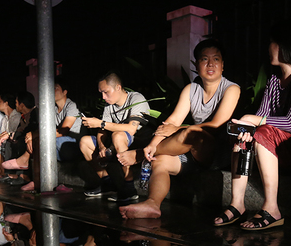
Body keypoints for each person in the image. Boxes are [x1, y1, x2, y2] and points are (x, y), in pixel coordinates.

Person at [214, 20, 291, 230]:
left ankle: (272, 208)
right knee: (244, 136)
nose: (269, 47)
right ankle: (237, 205)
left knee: (261, 130)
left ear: (286, 45)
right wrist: (247, 128)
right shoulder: (274, 79)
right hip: (277, 147)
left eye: (272, 42)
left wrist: (254, 121)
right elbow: (261, 115)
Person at [119, 39, 241, 219]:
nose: (210, 64)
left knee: (191, 133)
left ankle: (139, 155)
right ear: (196, 65)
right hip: (192, 152)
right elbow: (172, 121)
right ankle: (152, 204)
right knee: (160, 161)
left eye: (216, 59)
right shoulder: (191, 89)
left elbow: (217, 125)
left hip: (217, 152)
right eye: (204, 59)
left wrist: (177, 129)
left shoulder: (231, 89)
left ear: (222, 65)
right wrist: (152, 145)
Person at [81, 71, 152, 202]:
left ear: (118, 87)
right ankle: (107, 183)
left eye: (106, 92)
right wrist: (102, 147)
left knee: (118, 135)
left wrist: (100, 123)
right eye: (101, 93)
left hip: (139, 144)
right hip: (116, 144)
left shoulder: (136, 99)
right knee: (85, 142)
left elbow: (131, 129)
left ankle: (129, 188)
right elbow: (103, 130)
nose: (103, 97)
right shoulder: (109, 105)